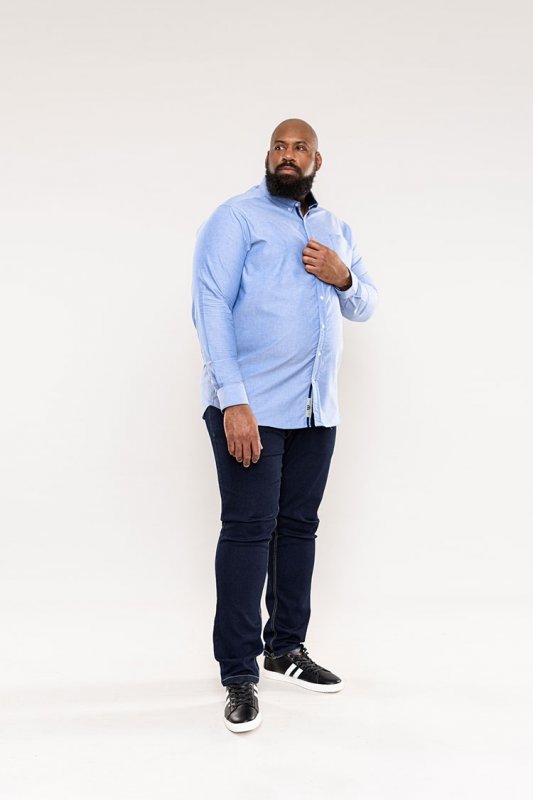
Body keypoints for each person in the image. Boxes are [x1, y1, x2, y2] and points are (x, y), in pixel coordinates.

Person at [191, 118, 378, 733]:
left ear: (318, 161)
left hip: (315, 410)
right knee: (249, 531)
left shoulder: (336, 229)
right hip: (251, 408)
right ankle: (238, 673)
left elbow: (366, 303)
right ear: (268, 156)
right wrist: (233, 401)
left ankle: (286, 648)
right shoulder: (236, 219)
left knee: (298, 528)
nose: (287, 155)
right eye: (279, 146)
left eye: (300, 148)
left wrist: (342, 275)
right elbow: (209, 305)